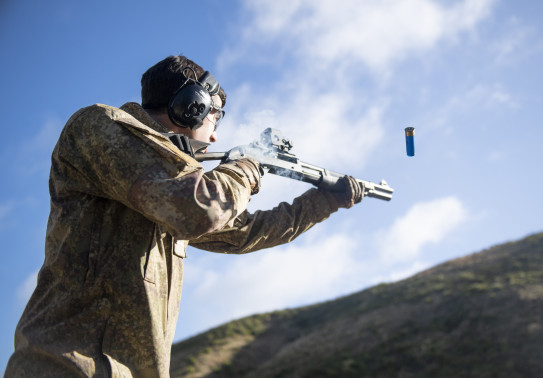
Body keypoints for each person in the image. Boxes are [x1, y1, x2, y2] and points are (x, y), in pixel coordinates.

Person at [5, 55, 363, 377]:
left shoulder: (168, 186)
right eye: (214, 115)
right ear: (192, 106)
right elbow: (202, 209)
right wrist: (249, 167)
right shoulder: (99, 125)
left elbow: (244, 233)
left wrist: (324, 202)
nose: (216, 133)